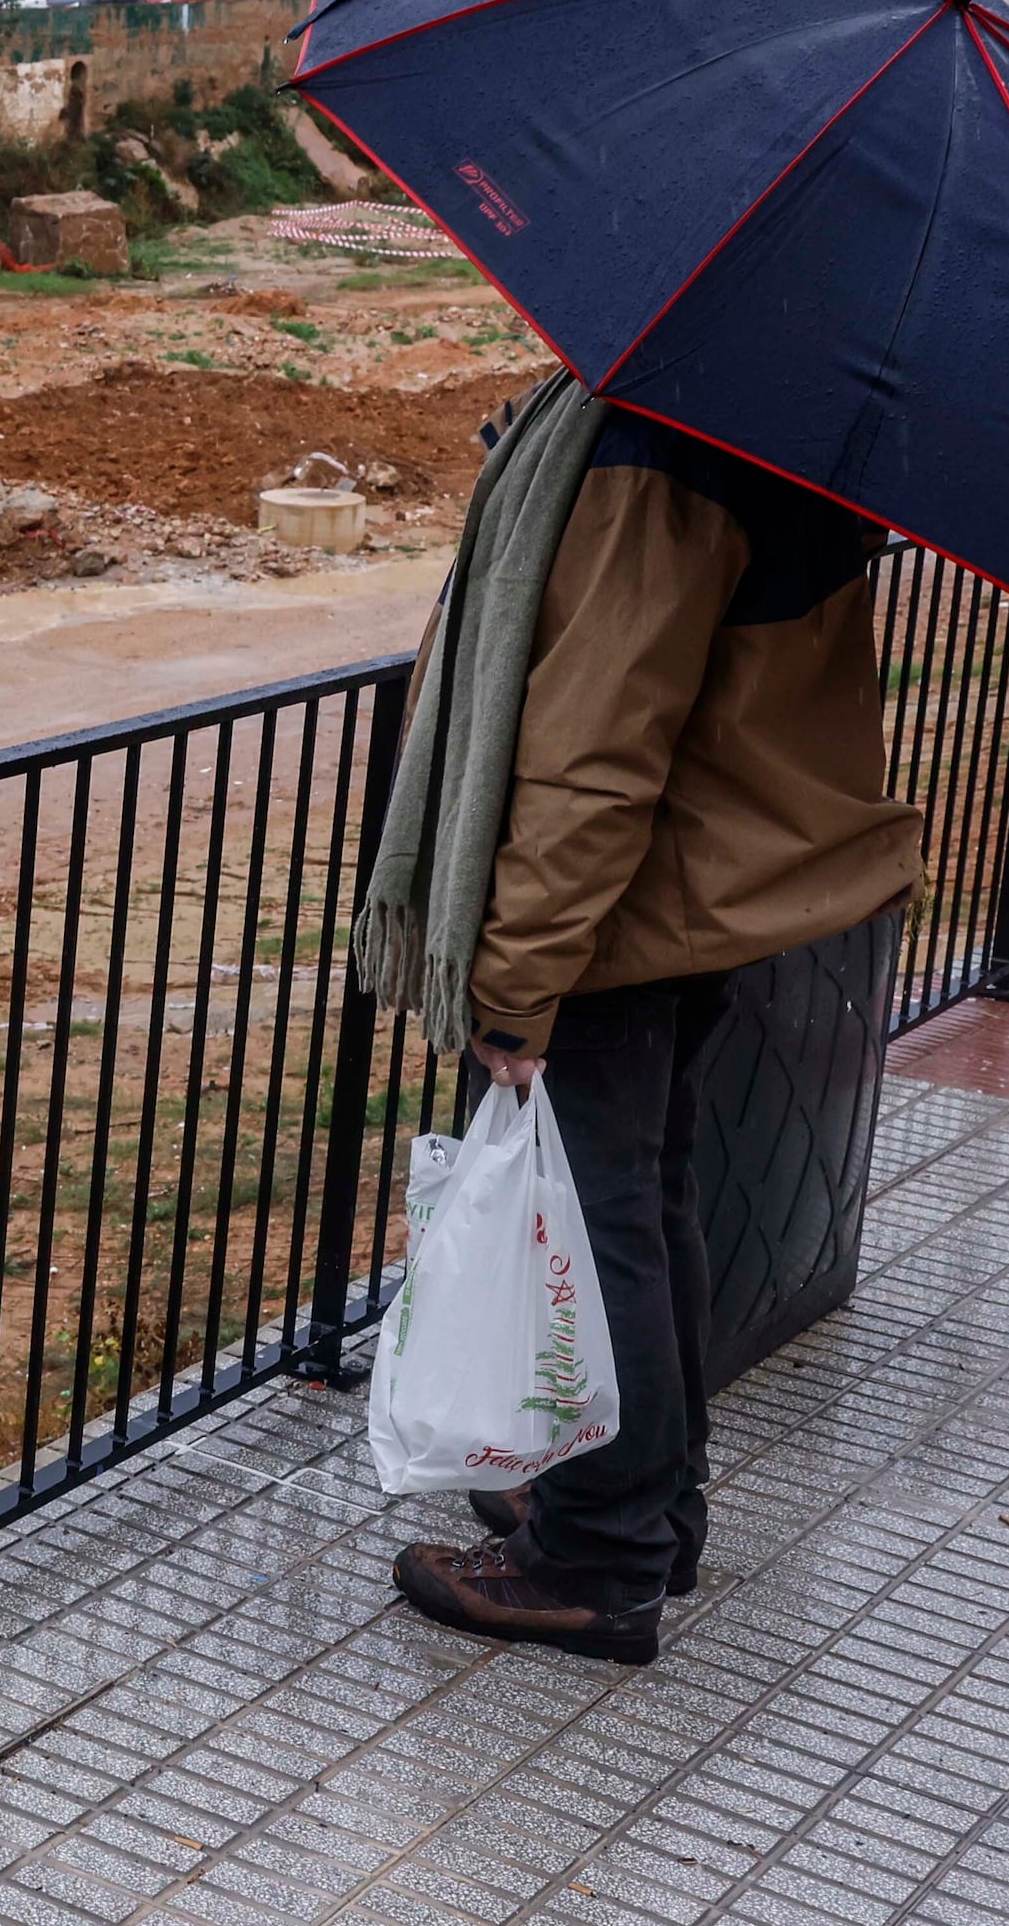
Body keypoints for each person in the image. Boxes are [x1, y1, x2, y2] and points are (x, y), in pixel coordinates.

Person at [352, 386, 922, 1666]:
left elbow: (591, 753)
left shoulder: (651, 448)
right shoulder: (764, 419)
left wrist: (517, 978)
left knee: (600, 1223)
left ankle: (598, 1558)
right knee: (641, 1201)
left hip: (621, 910)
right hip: (691, 889)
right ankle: (651, 1507)